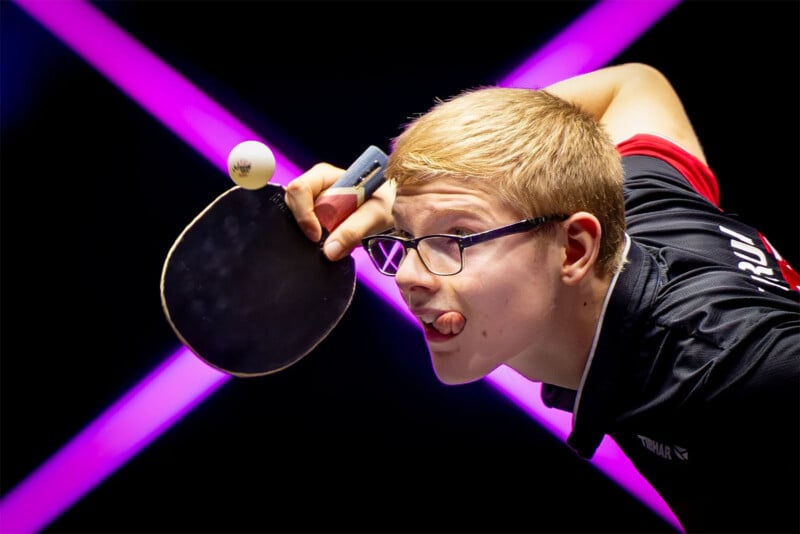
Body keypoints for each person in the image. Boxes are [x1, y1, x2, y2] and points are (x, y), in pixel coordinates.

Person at [284, 63, 800, 532]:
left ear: (574, 249)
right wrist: (400, 188)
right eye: (404, 237)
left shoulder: (731, 372)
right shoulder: (632, 193)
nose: (407, 277)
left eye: (458, 236)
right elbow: (635, 84)